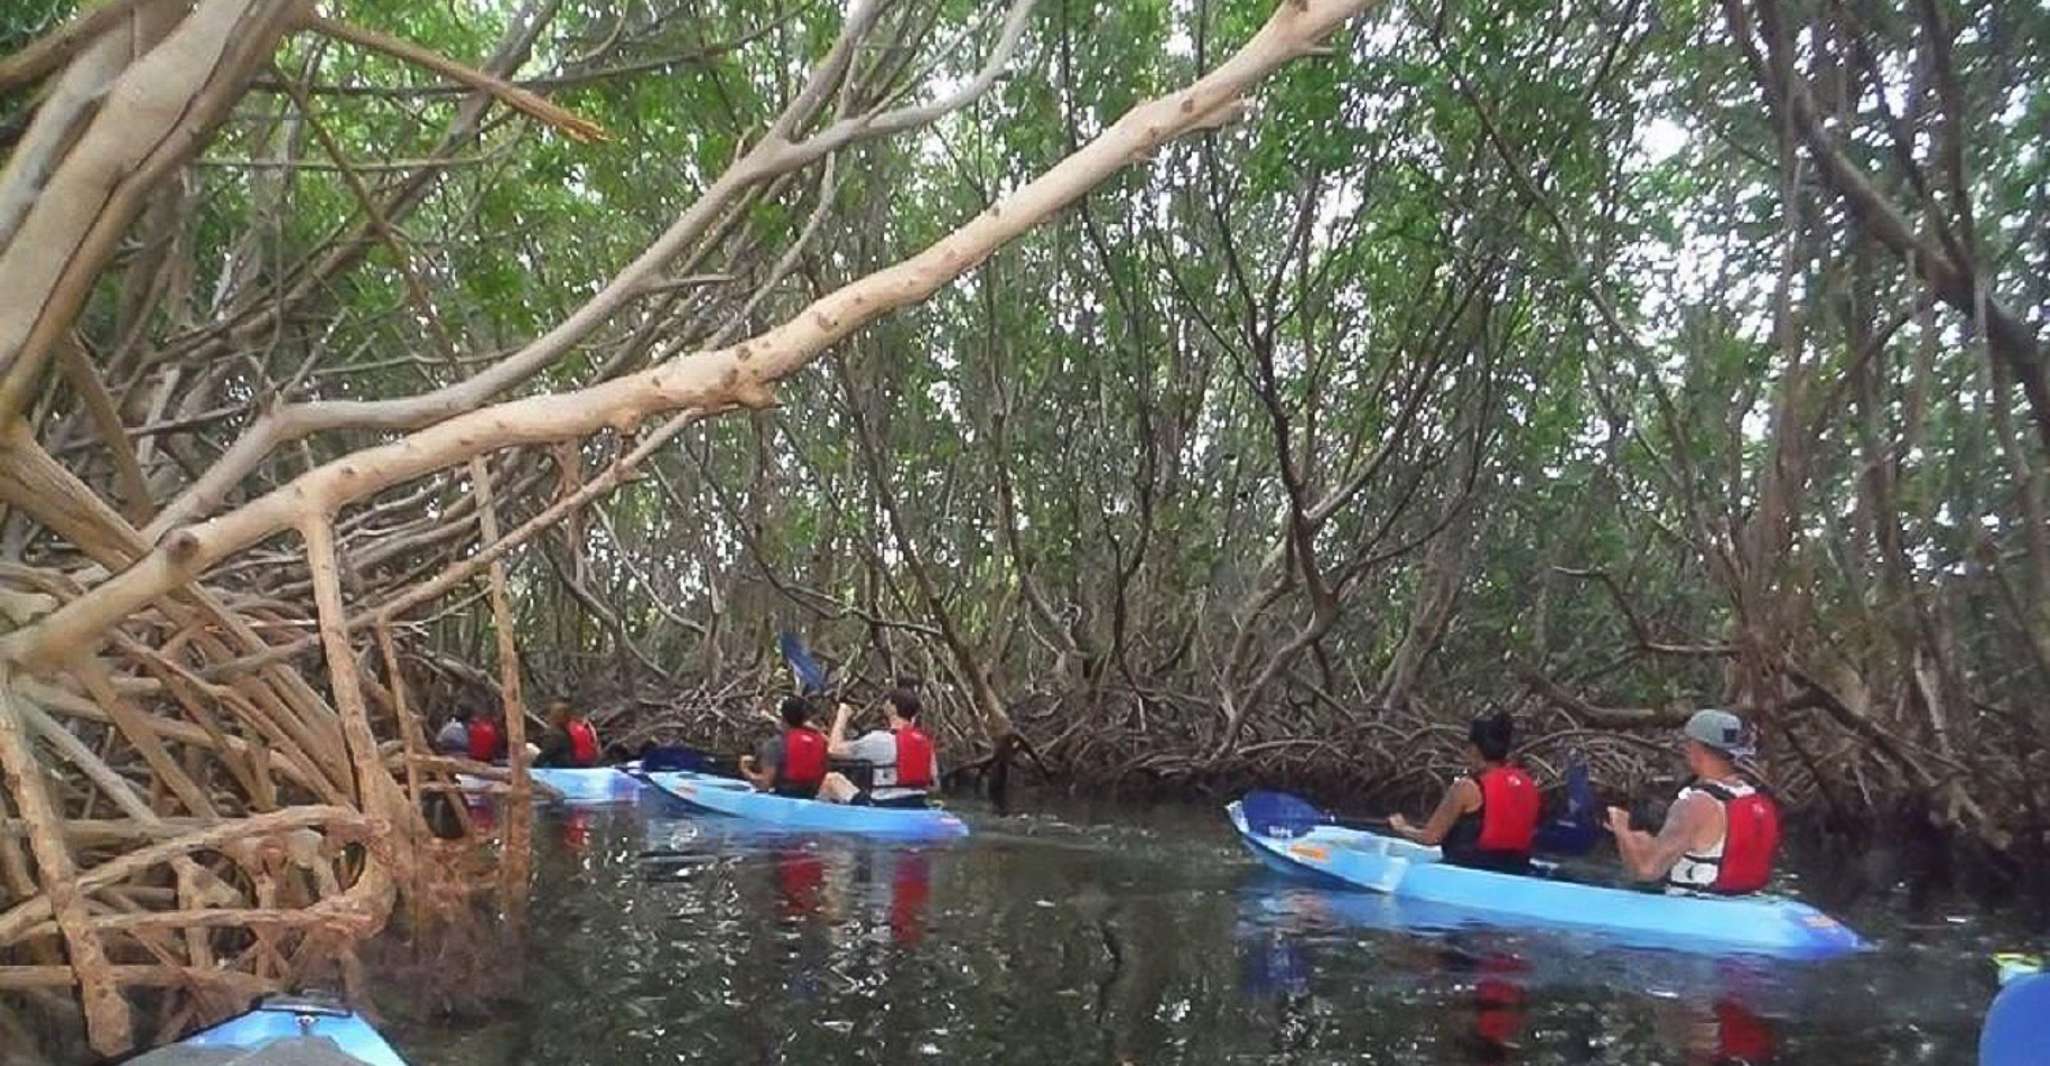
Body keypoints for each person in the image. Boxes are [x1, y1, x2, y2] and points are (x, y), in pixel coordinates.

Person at [1608, 708, 1781, 895]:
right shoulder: (1754, 798)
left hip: (1697, 911)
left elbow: (1646, 870)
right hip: (1744, 906)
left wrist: (1621, 828)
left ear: (1696, 749)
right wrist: (1645, 841)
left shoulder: (1694, 804)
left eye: (1688, 743)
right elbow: (1713, 846)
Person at [1388, 710, 1540, 873]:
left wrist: (1402, 827)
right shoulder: (1528, 784)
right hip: (1518, 869)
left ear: (1474, 749)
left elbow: (1430, 838)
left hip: (1470, 868)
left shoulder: (1465, 788)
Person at [814, 688, 937, 807]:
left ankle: (826, 820)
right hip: (918, 804)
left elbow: (833, 750)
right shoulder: (925, 742)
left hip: (886, 805)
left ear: (891, 707)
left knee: (832, 779)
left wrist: (842, 715)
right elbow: (934, 785)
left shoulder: (879, 739)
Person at [738, 696, 829, 798]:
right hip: (813, 797)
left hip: (785, 799)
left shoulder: (775, 744)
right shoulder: (820, 740)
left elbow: (764, 785)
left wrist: (745, 770)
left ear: (782, 718)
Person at [535, 699, 601, 768]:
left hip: (563, 767)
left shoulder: (556, 734)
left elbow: (546, 753)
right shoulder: (573, 728)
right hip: (584, 763)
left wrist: (533, 766)